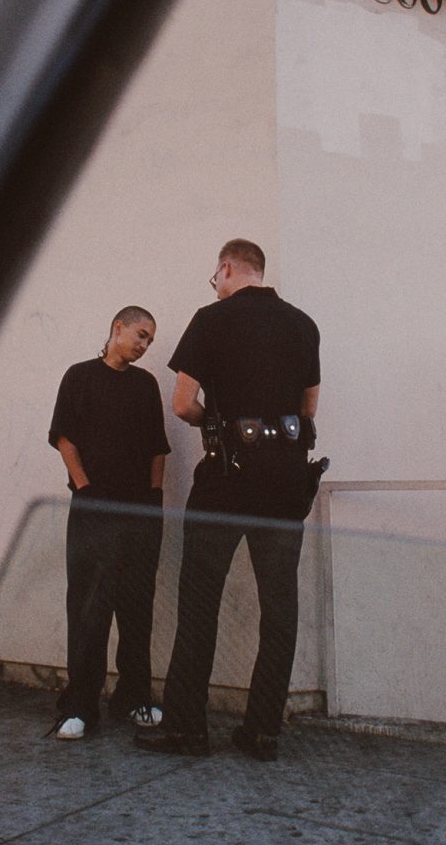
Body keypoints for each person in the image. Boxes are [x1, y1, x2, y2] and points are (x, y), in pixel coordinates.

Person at [136, 240, 320, 762]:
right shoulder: (304, 325)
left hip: (226, 480)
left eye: (215, 277)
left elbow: (182, 404)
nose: (215, 286)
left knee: (200, 603)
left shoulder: (211, 319)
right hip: (285, 485)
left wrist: (214, 423)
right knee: (280, 609)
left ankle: (187, 730)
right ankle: (262, 731)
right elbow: (308, 409)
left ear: (226, 269)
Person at [47, 306, 172, 740]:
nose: (144, 345)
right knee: (89, 607)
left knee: (137, 607)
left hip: (140, 512)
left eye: (150, 340)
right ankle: (80, 706)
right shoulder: (79, 376)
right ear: (118, 328)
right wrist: (85, 490)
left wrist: (154, 498)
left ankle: (134, 698)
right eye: (141, 334)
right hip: (93, 509)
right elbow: (65, 438)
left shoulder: (145, 384)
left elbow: (158, 447)